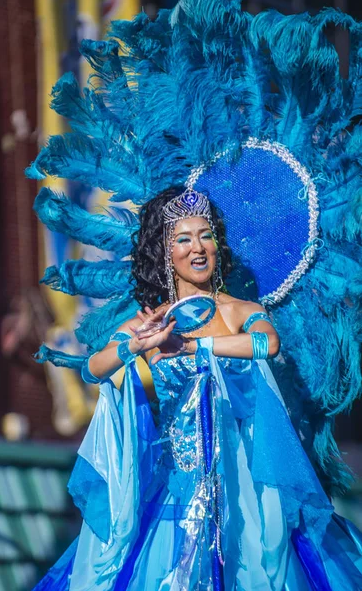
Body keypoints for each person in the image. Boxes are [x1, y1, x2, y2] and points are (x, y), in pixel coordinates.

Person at [34, 188, 362, 591]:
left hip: (248, 487)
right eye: (184, 239)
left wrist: (193, 345)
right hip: (176, 486)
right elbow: (92, 369)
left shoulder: (241, 310)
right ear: (165, 252)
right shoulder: (152, 319)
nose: (198, 248)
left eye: (205, 235)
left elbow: (266, 344)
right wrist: (135, 345)